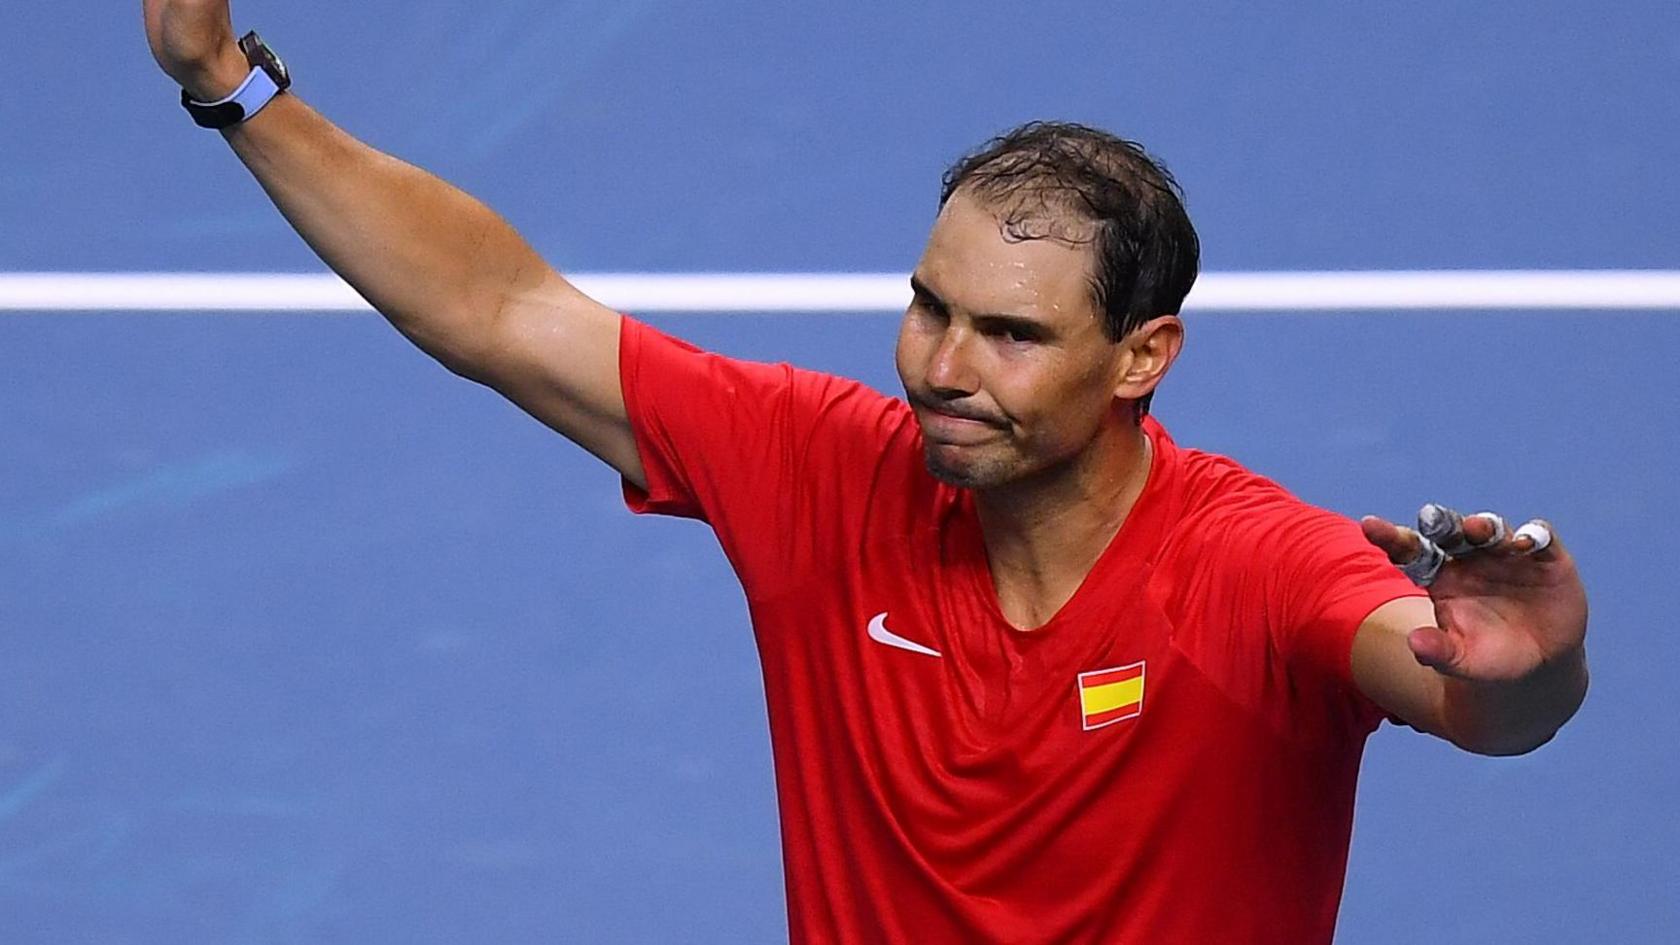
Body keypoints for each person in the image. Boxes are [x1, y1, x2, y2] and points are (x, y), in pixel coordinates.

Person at [143, 3, 1591, 942]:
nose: (943, 366)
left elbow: (1467, 696)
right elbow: (507, 311)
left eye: (1012, 334)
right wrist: (234, 89)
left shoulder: (1251, 562)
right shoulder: (825, 469)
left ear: (1144, 355)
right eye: (930, 305)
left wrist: (1532, 665)